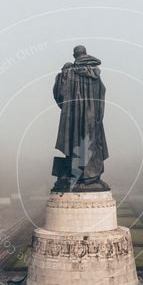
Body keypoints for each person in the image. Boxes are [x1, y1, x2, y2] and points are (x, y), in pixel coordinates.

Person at [51, 45, 109, 192]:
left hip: (74, 118)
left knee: (74, 142)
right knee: (92, 144)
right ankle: (91, 177)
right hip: (92, 118)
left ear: (74, 55)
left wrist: (62, 75)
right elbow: (102, 92)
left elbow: (60, 94)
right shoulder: (95, 72)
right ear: (85, 54)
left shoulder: (69, 72)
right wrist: (97, 115)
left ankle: (77, 176)